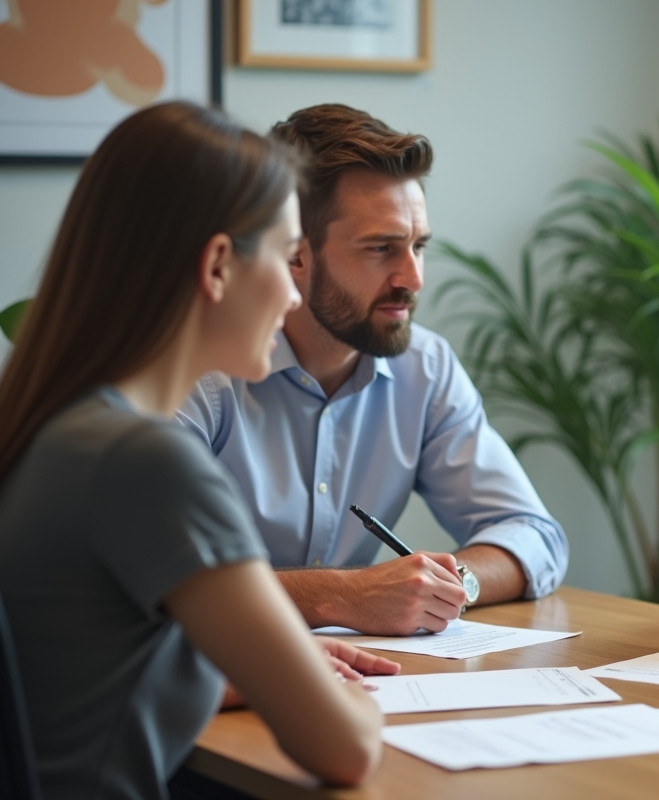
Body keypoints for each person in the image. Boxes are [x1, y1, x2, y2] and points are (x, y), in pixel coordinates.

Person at [0, 102, 402, 799]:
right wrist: (339, 696)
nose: (292, 294)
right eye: (284, 256)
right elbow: (346, 749)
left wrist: (239, 672)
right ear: (217, 266)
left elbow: (84, 666)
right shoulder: (147, 462)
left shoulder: (55, 427)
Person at [177, 104, 568, 636]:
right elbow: (157, 573)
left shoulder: (424, 368)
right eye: (381, 248)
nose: (413, 278)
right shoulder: (199, 370)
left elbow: (534, 534)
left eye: (418, 247)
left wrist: (448, 586)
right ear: (294, 253)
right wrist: (342, 596)